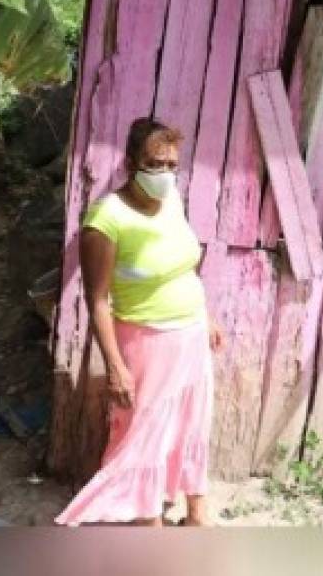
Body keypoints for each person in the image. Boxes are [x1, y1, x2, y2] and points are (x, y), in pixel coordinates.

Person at [55, 117, 223, 527]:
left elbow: (185, 268)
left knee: (191, 422)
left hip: (191, 335)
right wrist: (115, 366)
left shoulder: (172, 202)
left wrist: (207, 316)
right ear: (130, 165)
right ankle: (149, 524)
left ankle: (197, 514)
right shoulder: (106, 219)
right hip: (147, 342)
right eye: (154, 164)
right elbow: (97, 300)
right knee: (142, 434)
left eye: (171, 165)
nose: (164, 174)